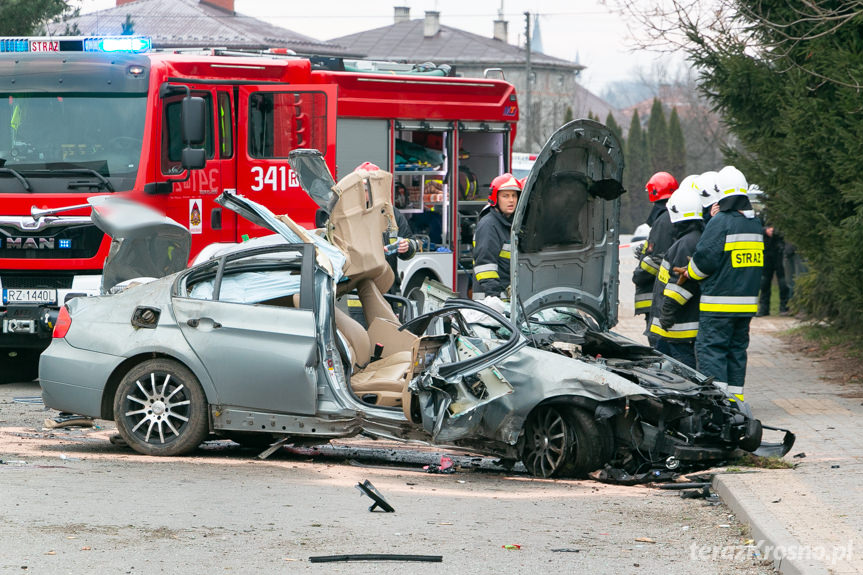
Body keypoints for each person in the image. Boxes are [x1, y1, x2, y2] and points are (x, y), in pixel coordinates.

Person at [674, 166, 763, 402]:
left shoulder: (721, 221)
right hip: (745, 306)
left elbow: (704, 260)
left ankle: (716, 407)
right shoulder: (755, 224)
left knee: (712, 353)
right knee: (736, 354)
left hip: (718, 306)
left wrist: (689, 272)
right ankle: (735, 405)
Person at [648, 179, 705, 368]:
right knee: (660, 366)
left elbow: (679, 285)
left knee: (683, 368)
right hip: (673, 328)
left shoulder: (685, 244)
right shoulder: (692, 239)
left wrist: (667, 312)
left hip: (678, 327)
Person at [632, 171, 678, 342]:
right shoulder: (670, 215)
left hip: (654, 292)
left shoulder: (662, 219)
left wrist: (638, 275)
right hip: (660, 293)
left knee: (657, 340)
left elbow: (657, 255)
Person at [472, 173, 521, 298]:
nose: (511, 200)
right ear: (496, 198)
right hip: (489, 301)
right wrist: (495, 298)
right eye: (506, 196)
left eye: (514, 196)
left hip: (506, 301)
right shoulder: (489, 225)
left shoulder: (512, 224)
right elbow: (485, 266)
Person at [757, 204, 790, 316]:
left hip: (780, 251)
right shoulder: (763, 214)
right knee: (764, 282)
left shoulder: (783, 213)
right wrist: (765, 230)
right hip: (766, 252)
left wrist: (775, 231)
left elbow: (788, 229)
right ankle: (764, 308)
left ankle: (784, 307)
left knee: (783, 281)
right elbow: (757, 227)